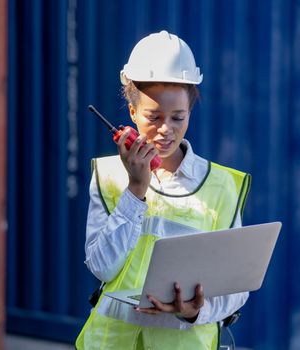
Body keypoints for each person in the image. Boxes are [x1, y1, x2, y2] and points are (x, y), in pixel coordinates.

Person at [76, 30, 251, 350]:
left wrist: (197, 311)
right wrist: (136, 190)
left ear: (190, 111)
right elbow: (102, 266)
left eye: (177, 117)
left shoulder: (222, 186)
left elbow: (236, 287)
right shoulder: (109, 175)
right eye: (153, 117)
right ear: (131, 113)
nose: (165, 129)